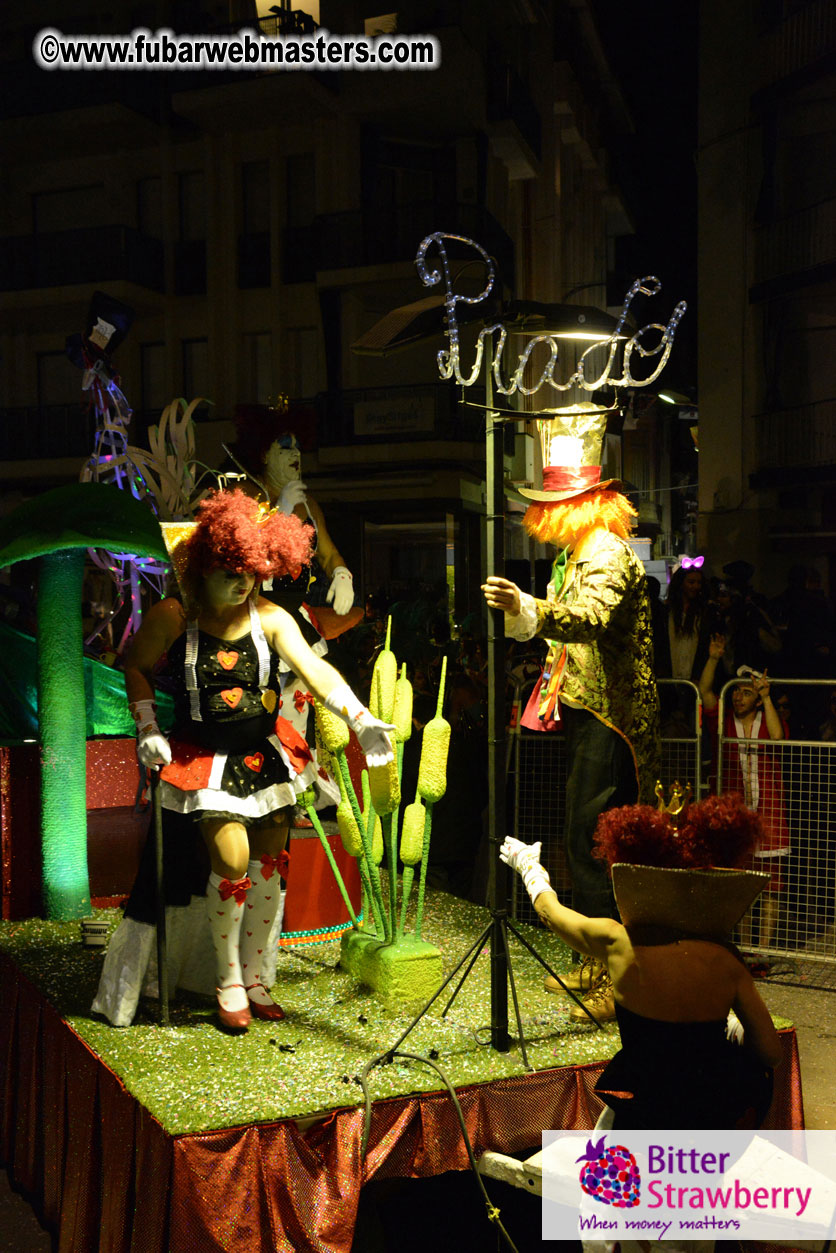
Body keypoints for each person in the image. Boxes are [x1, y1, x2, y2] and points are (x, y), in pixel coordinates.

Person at [94, 489, 393, 1034]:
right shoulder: (173, 614)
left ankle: (257, 974)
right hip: (202, 758)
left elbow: (313, 669)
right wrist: (148, 727)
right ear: (203, 567)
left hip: (264, 753)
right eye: (232, 572)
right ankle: (228, 978)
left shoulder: (270, 615)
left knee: (270, 865)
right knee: (230, 862)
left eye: (252, 572)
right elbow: (133, 667)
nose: (244, 584)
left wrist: (359, 716)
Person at [482, 411, 660, 1022]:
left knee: (595, 842)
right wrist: (527, 610)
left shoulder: (605, 550)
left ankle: (617, 972)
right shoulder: (581, 553)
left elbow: (589, 620)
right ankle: (596, 962)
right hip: (590, 712)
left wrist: (528, 606)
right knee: (585, 837)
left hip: (612, 721)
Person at [500, 794, 782, 1131]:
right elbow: (771, 1054)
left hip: (643, 1113)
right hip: (713, 1115)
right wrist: (732, 1030)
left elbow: (552, 913)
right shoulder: (726, 961)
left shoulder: (617, 942)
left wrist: (529, 867)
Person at [698, 637, 789, 951]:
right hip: (735, 814)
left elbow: (777, 737)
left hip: (769, 814)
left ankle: (762, 948)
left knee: (770, 886)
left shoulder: (768, 721)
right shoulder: (723, 721)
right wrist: (712, 659)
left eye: (746, 691)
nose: (738, 696)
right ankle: (745, 949)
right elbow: (706, 693)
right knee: (740, 885)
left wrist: (767, 697)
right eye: (736, 690)